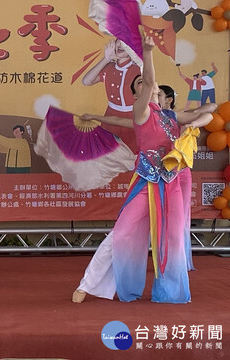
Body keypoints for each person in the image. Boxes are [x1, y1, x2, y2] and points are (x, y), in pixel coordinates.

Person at [72, 36, 213, 304]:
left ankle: (169, 290)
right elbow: (148, 82)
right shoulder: (141, 112)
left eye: (154, 87)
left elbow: (207, 112)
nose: (149, 86)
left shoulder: (171, 116)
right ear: (137, 94)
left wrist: (197, 124)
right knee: (122, 232)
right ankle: (88, 284)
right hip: (146, 182)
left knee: (172, 237)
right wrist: (147, 53)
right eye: (141, 85)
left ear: (163, 95)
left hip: (170, 182)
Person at [81, 87, 216, 274]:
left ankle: (178, 261)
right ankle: (154, 259)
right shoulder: (144, 119)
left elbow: (210, 110)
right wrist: (95, 116)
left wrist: (194, 124)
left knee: (179, 219)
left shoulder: (175, 116)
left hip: (177, 175)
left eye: (158, 94)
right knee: (145, 218)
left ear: (168, 100)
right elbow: (119, 120)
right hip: (150, 176)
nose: (153, 96)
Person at [82, 39, 141, 153]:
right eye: (118, 41)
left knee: (131, 154)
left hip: (131, 117)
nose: (121, 45)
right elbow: (86, 81)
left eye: (126, 42)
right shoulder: (109, 67)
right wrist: (106, 59)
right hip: (110, 115)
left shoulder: (138, 69)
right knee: (108, 153)